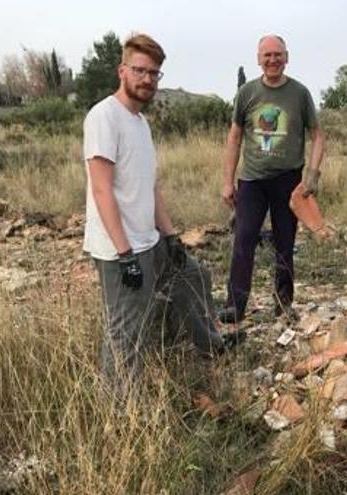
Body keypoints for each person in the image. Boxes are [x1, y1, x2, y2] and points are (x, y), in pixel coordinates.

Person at [82, 34, 236, 398]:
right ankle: (121, 411)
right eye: (140, 70)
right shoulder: (104, 116)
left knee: (194, 275)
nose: (147, 79)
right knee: (125, 332)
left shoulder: (141, 124)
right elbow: (102, 190)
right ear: (122, 70)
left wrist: (171, 237)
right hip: (121, 248)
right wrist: (124, 256)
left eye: (154, 73)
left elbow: (150, 188)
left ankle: (208, 344)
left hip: (150, 240)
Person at [219, 34, 325, 323]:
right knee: (244, 239)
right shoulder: (247, 93)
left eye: (278, 54)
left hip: (288, 180)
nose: (273, 60)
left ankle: (283, 304)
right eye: (267, 55)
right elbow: (235, 136)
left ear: (287, 57)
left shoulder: (299, 93)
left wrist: (312, 176)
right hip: (252, 181)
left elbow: (317, 135)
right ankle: (234, 305)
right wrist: (228, 181)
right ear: (258, 59)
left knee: (285, 242)